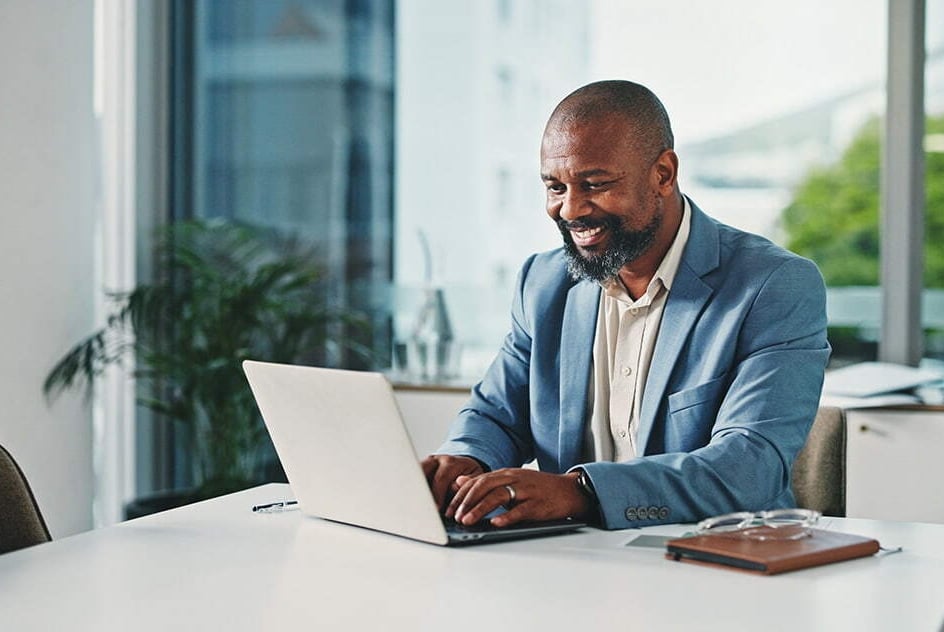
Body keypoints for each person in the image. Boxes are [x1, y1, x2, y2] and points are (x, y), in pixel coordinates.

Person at [421, 80, 830, 530]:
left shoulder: (772, 285)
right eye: (555, 187)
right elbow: (497, 415)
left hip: (716, 563)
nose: (570, 209)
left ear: (663, 174)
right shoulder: (543, 282)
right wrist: (465, 461)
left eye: (595, 184)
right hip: (571, 561)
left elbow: (748, 467)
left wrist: (580, 492)